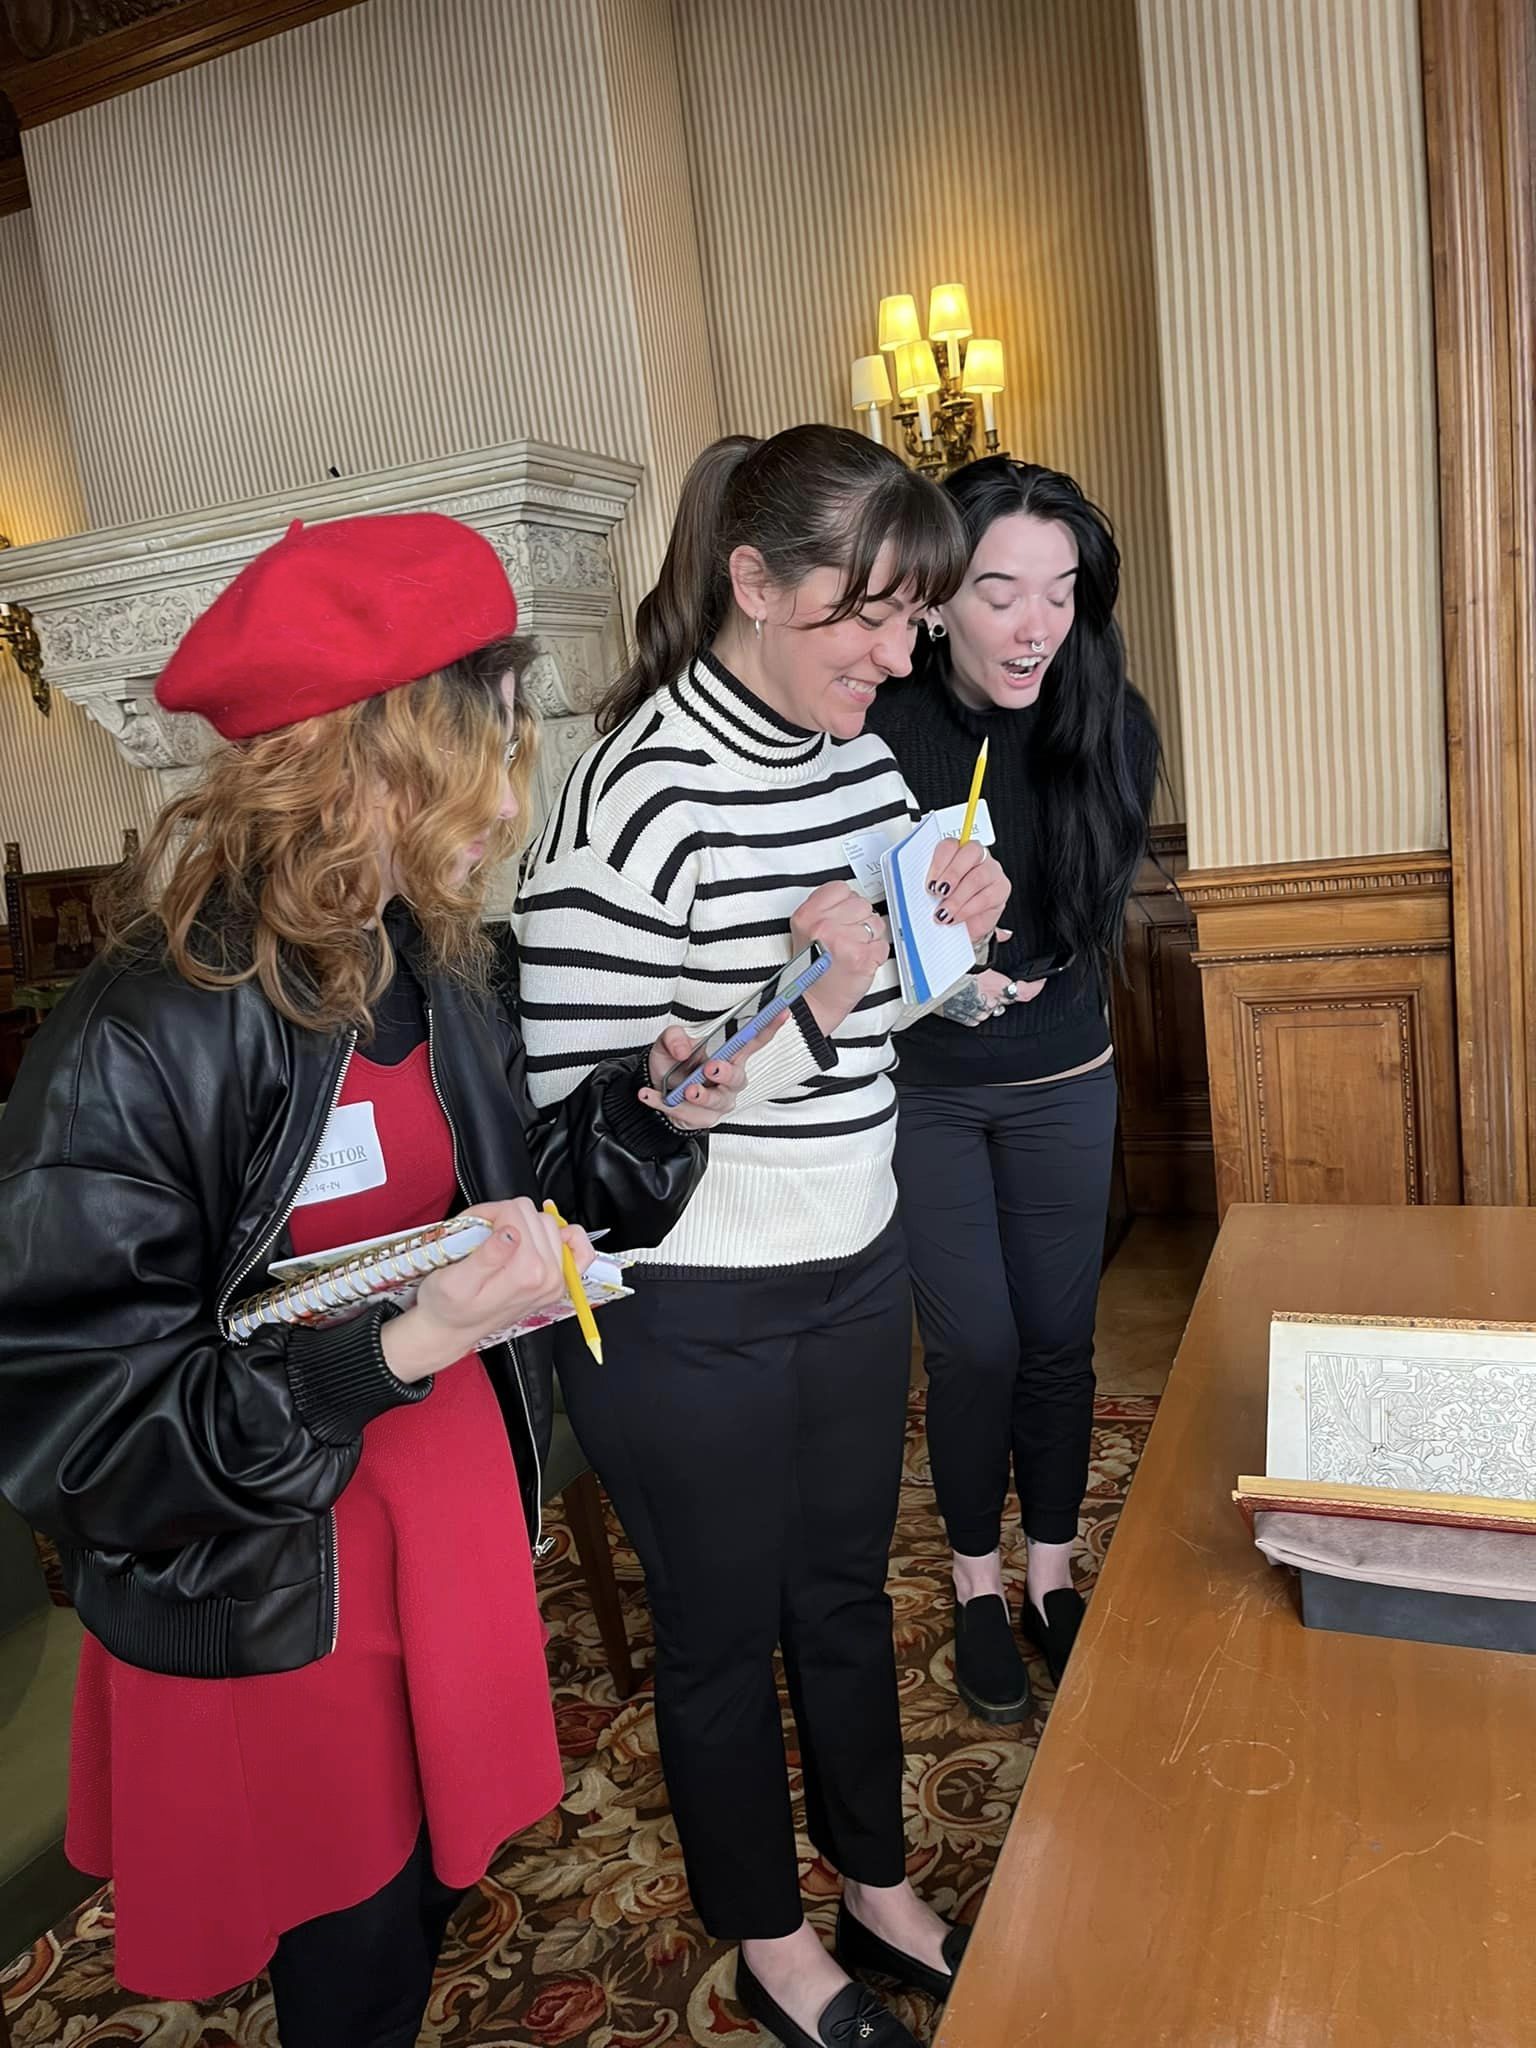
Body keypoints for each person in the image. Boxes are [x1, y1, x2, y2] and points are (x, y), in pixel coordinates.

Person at [0, 512, 755, 2048]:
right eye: (483, 749)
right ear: (368, 764)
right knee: (348, 1953)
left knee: (417, 1906)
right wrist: (394, 1352)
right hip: (277, 1591)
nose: (510, 795)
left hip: (443, 1520)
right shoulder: (141, 1034)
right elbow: (79, 1436)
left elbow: (498, 1205)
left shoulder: (424, 961)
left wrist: (642, 1122)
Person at [514, 427, 1011, 2048]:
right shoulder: (631, 795)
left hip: (855, 1263)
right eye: (862, 616)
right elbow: (586, 1142)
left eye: (912, 620)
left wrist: (946, 926)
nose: (895, 655)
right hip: (686, 1307)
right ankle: (771, 1934)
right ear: (750, 580)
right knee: (723, 1639)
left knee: (848, 1596)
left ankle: (872, 1878)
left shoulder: (862, 757)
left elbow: (877, 1011)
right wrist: (805, 998)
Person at [866, 457, 1160, 1725]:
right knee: (973, 1341)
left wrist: (1024, 956)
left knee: (1056, 1336)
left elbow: (1085, 911)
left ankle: (1050, 1571)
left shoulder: (1110, 719)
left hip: (1061, 1077)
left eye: (1060, 590)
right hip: (926, 1088)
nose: (1034, 624)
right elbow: (833, 921)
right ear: (936, 600)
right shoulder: (877, 729)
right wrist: (929, 957)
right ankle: (975, 1579)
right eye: (998, 591)